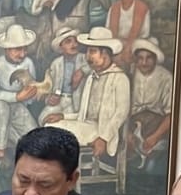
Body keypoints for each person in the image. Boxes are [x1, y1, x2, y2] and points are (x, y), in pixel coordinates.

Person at [45, 27, 130, 164]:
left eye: (93, 52)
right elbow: (84, 114)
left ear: (105, 54)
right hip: (87, 127)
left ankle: (63, 170)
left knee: (54, 134)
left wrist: (103, 138)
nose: (88, 57)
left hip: (104, 132)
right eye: (88, 52)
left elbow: (122, 112)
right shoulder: (91, 77)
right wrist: (64, 116)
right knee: (50, 125)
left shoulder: (120, 78)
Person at [0, 23, 39, 161]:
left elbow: (31, 88)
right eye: (17, 49)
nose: (22, 54)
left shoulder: (28, 63)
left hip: (17, 105)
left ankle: (14, 142)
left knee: (34, 135)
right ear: (7, 49)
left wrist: (32, 94)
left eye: (25, 49)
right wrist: (17, 96)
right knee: (2, 108)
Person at [127, 37, 173, 171]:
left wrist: (155, 137)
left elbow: (171, 113)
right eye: (140, 58)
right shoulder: (129, 74)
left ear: (155, 59)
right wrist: (127, 133)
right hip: (132, 124)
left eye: (149, 58)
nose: (144, 62)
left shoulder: (165, 77)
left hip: (157, 126)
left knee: (153, 168)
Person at [38, 26, 89, 125]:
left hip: (76, 102)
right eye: (68, 42)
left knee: (63, 124)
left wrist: (82, 71)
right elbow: (49, 86)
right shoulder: (56, 63)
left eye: (75, 41)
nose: (74, 45)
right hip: (59, 100)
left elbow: (94, 68)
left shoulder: (84, 59)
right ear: (61, 47)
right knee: (43, 119)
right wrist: (49, 98)